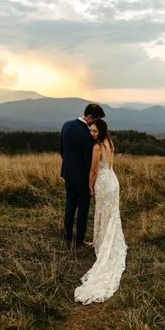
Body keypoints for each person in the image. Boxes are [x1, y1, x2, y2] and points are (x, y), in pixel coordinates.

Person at [74, 119, 127, 305]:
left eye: (94, 131)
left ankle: (103, 243)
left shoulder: (97, 147)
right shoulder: (110, 143)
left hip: (104, 183)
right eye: (91, 130)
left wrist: (90, 186)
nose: (92, 134)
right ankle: (106, 240)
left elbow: (94, 170)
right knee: (111, 214)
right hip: (114, 181)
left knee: (104, 214)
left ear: (101, 131)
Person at [60, 104, 105, 247]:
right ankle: (79, 240)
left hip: (68, 173)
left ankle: (68, 236)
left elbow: (62, 150)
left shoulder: (66, 125)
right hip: (83, 178)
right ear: (90, 117)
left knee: (69, 204)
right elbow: (89, 161)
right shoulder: (88, 135)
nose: (96, 124)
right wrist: (90, 183)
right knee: (83, 209)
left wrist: (70, 166)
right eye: (96, 120)